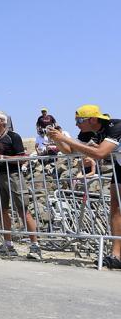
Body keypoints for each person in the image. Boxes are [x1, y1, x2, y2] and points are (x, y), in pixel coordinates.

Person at [48, 105, 121, 269]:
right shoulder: (87, 132)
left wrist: (65, 138)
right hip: (120, 166)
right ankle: (117, 256)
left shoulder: (115, 126)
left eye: (79, 121)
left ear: (93, 119)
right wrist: (56, 138)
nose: (76, 125)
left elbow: (99, 154)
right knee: (115, 209)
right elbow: (69, 151)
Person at [0, 110, 42, 260]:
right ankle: (8, 244)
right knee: (1, 209)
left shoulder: (13, 137)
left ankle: (35, 246)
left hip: (13, 176)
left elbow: (22, 159)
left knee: (23, 210)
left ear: (1, 122)